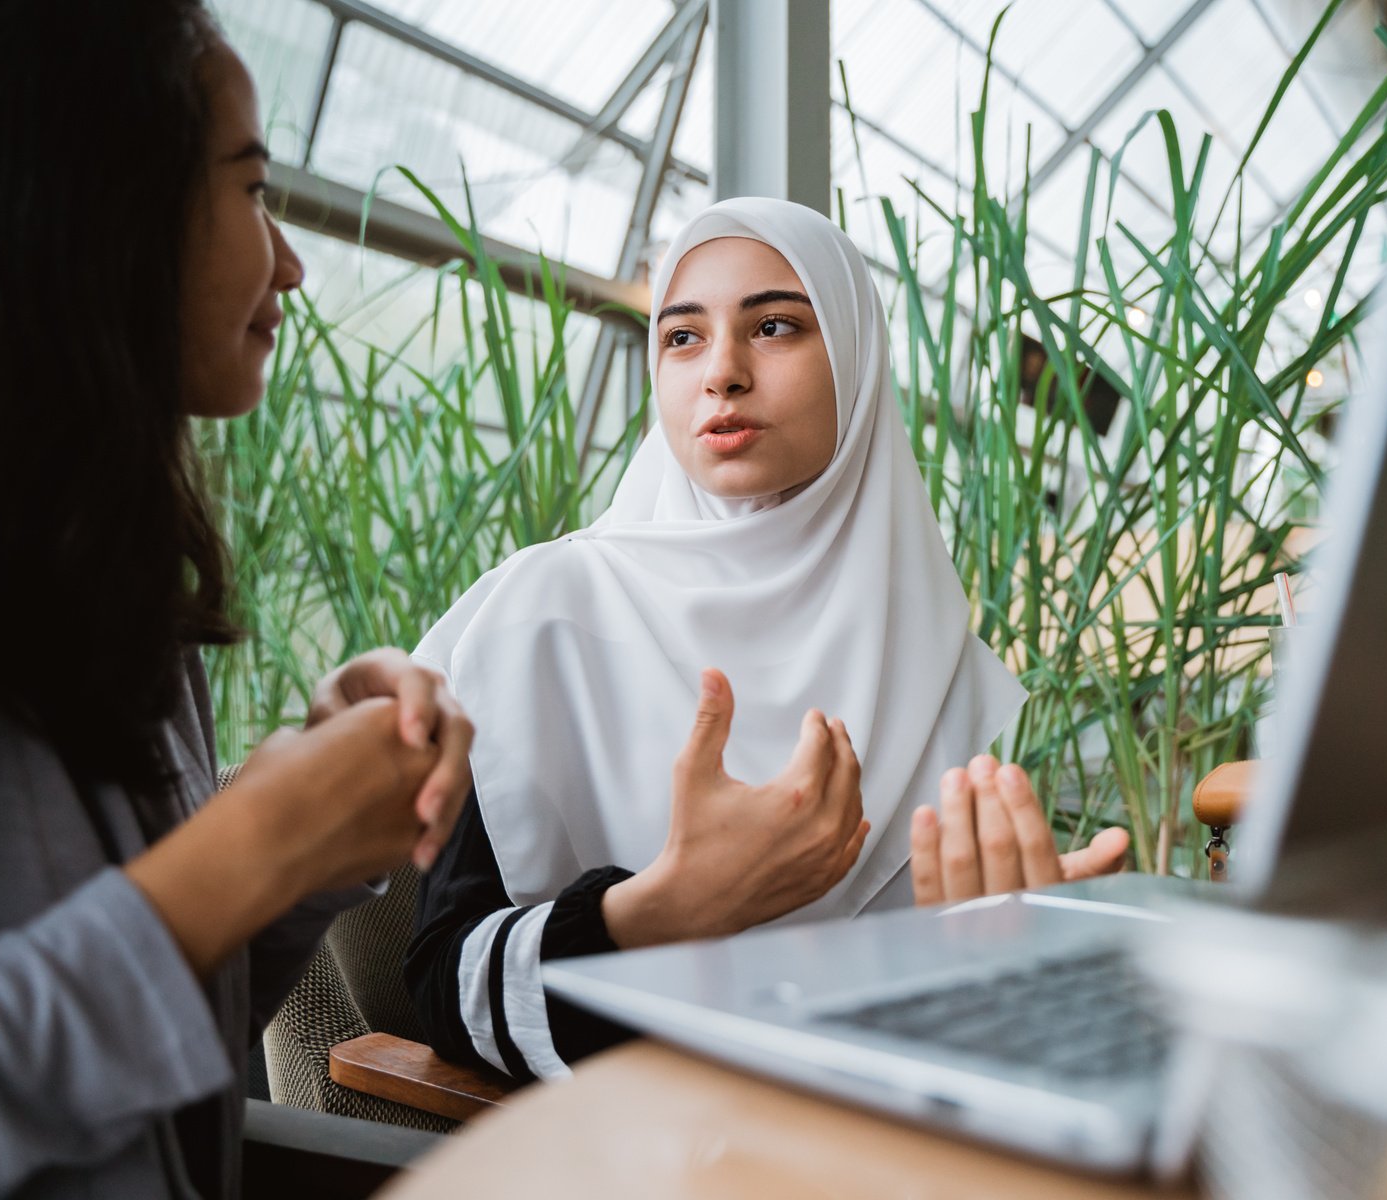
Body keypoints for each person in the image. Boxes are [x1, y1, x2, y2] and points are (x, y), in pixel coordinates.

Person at [0, 4, 473, 1197]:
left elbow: (155, 1027)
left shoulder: (103, 565)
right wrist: (248, 847)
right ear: (88, 198)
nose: (292, 264)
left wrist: (297, 831)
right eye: (251, 190)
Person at [407, 198, 1129, 1086]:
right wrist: (663, 909)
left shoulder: (933, 661)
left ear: (858, 365)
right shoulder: (543, 613)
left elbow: (910, 1012)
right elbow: (442, 988)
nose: (723, 373)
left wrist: (1004, 951)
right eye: (681, 338)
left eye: (775, 326)